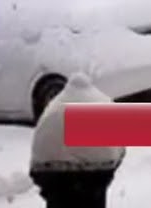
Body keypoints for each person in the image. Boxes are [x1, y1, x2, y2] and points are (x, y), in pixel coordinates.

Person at [30, 73, 126, 208]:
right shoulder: (103, 106)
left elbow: (37, 159)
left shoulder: (53, 110)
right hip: (96, 174)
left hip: (53, 175)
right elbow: (119, 149)